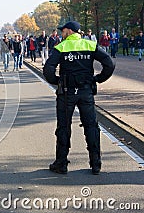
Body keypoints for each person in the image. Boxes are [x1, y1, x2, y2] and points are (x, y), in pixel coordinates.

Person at [43, 21, 114, 175]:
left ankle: (61, 164)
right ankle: (96, 163)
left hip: (67, 92)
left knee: (63, 127)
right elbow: (109, 63)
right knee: (91, 126)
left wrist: (58, 81)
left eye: (63, 31)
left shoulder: (60, 47)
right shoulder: (89, 45)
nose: (62, 33)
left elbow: (48, 70)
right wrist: (98, 79)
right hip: (86, 91)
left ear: (69, 31)